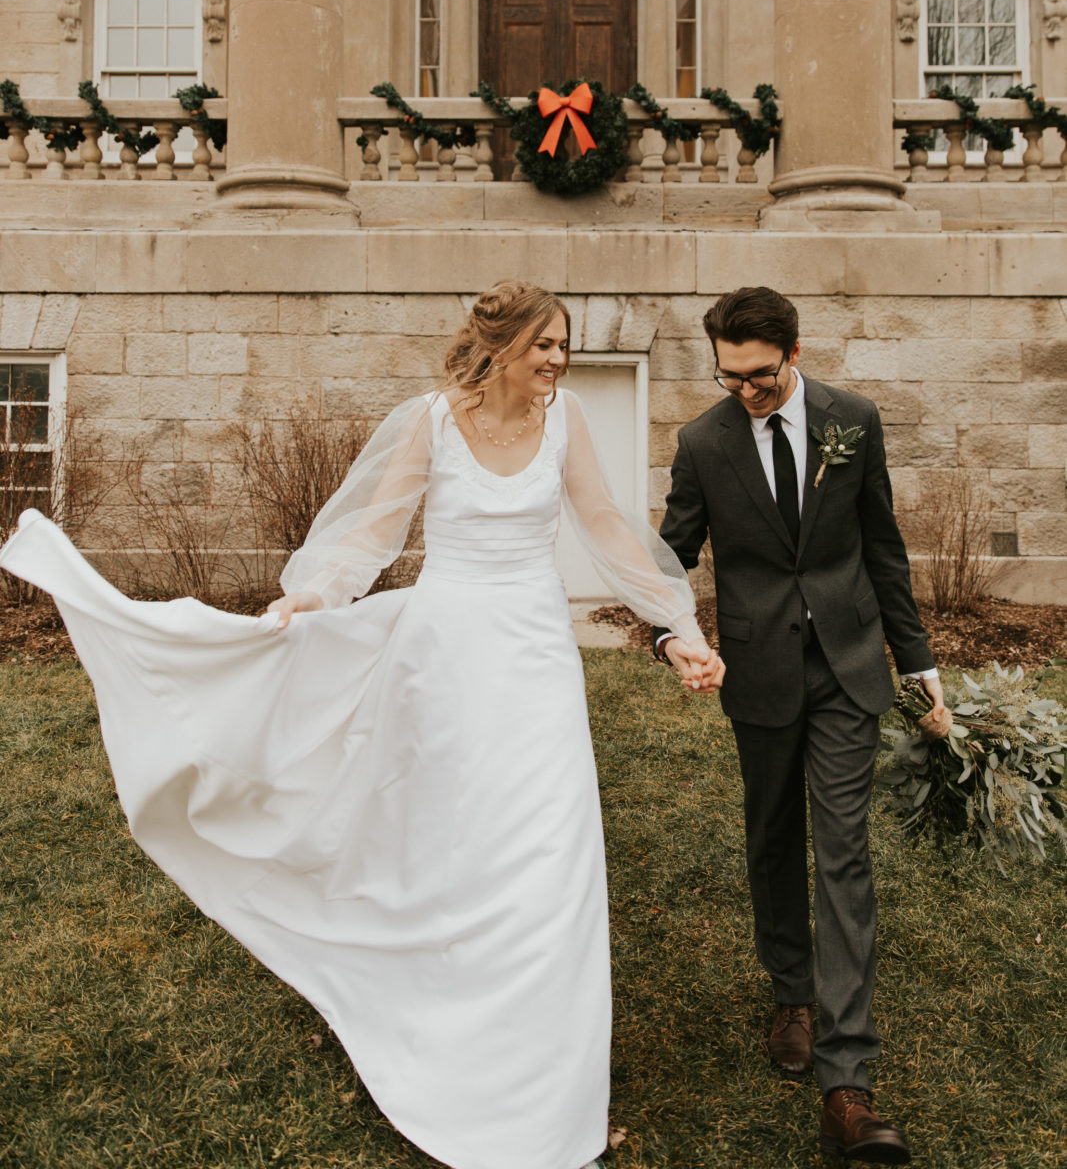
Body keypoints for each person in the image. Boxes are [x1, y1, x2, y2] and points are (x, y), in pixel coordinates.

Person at [0, 279, 721, 1169]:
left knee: (550, 858)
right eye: (544, 345)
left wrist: (676, 625)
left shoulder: (567, 419)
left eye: (562, 346)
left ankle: (547, 1098)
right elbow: (373, 529)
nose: (557, 360)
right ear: (498, 347)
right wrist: (315, 592)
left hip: (534, 661)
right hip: (444, 660)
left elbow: (609, 528)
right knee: (456, 852)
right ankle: (445, 1034)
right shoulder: (429, 421)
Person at [652, 286, 944, 1167]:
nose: (745, 389)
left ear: (793, 351)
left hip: (850, 663)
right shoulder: (702, 443)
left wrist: (918, 663)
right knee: (773, 835)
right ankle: (791, 991)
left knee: (843, 847)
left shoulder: (853, 420)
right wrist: (671, 633)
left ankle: (846, 1077)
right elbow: (674, 553)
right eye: (729, 376)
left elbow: (881, 545)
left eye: (760, 374)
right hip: (760, 669)